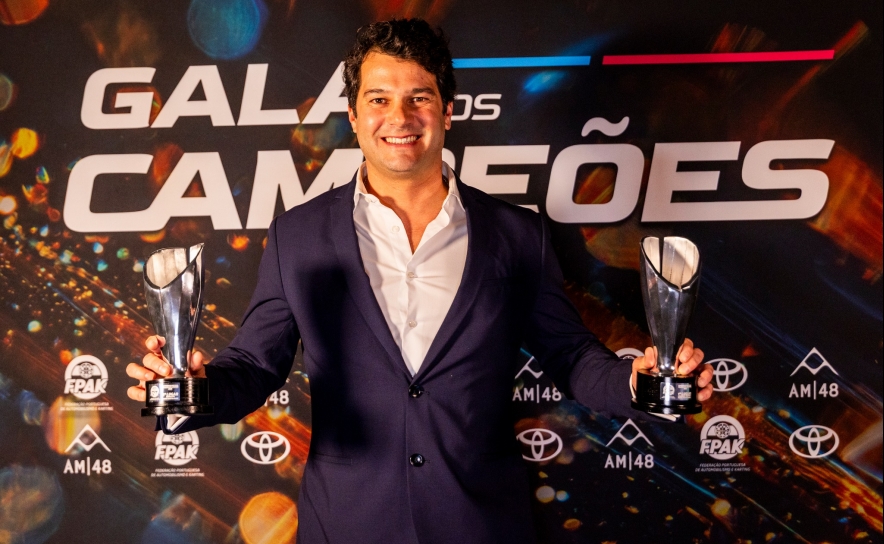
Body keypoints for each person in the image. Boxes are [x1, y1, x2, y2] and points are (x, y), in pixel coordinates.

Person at [127, 18, 713, 544]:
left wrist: (641, 384)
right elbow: (255, 366)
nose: (400, 118)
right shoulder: (297, 235)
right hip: (348, 527)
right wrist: (193, 387)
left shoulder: (517, 235)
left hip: (479, 526)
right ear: (354, 116)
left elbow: (572, 356)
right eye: (378, 99)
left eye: (419, 98)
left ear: (447, 111)